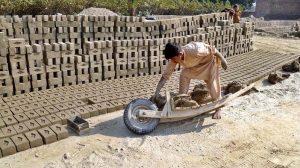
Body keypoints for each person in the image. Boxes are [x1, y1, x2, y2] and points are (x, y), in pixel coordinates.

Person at [153, 42, 228, 119]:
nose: (173, 61)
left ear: (180, 54)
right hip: (196, 66)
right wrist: (156, 92)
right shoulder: (174, 58)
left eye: (173, 58)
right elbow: (165, 76)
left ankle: (218, 108)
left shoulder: (195, 50)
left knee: (213, 85)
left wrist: (223, 60)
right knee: (184, 75)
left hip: (209, 64)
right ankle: (182, 99)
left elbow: (213, 50)